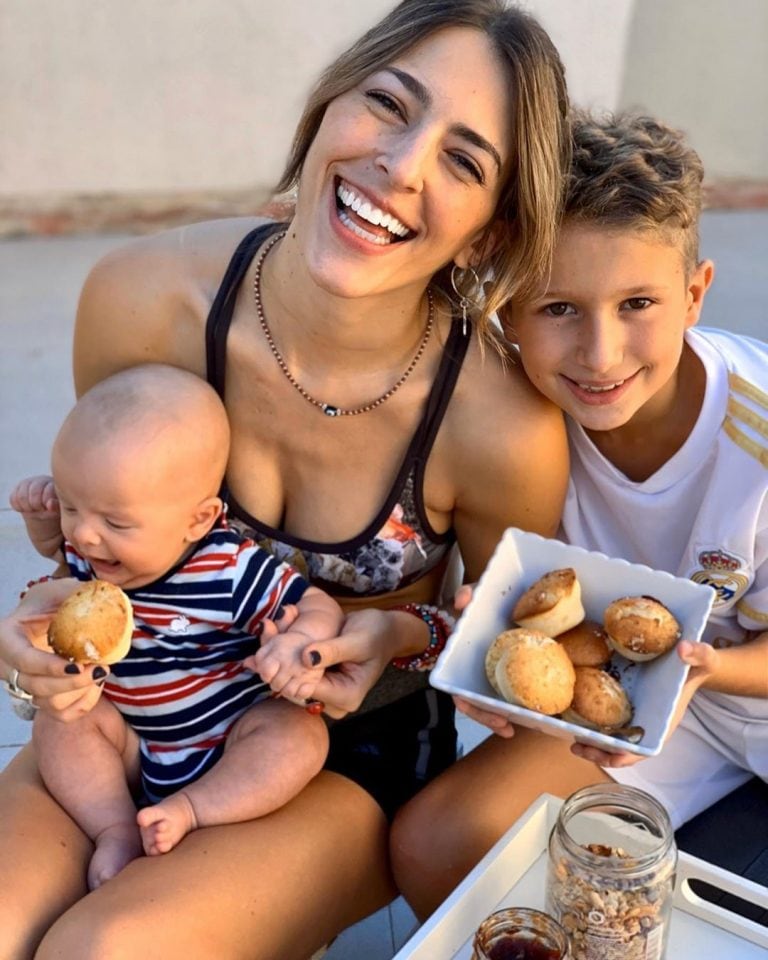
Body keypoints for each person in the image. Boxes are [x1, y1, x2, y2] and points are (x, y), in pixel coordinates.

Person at [0, 1, 571, 957]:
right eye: (388, 103)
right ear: (326, 108)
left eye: (464, 161)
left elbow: (507, 662)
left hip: (336, 753)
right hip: (136, 705)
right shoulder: (144, 299)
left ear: (488, 233)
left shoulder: (501, 426)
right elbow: (94, 554)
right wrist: (34, 659)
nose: (403, 163)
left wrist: (393, 634)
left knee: (105, 952)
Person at [390, 110, 768, 920]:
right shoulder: (507, 422)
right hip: (643, 706)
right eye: (559, 308)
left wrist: (704, 671)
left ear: (694, 293)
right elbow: (512, 599)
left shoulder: (758, 435)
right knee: (438, 840)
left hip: (740, 681)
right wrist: (482, 645)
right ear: (508, 312)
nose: (601, 354)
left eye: (637, 302)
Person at [12, 363, 340, 891]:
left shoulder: (228, 567)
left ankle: (193, 809)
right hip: (131, 738)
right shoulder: (86, 555)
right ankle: (115, 827)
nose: (86, 537)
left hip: (231, 735)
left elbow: (315, 604)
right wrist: (45, 523)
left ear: (198, 518)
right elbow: (60, 560)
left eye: (115, 523)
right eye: (73, 506)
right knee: (60, 723)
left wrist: (302, 640)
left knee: (299, 735)